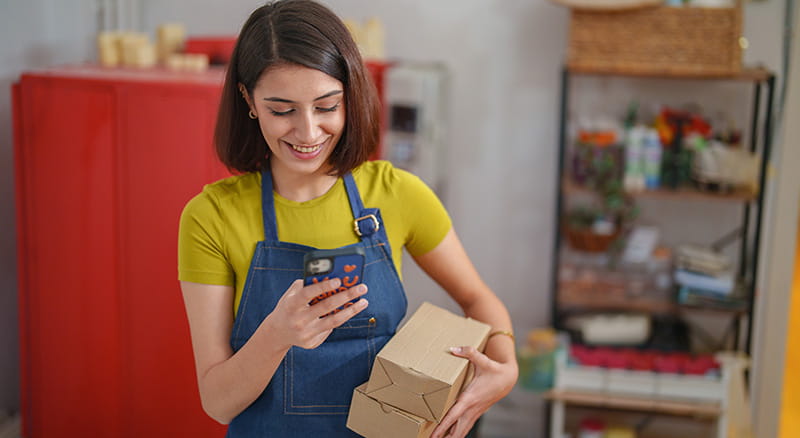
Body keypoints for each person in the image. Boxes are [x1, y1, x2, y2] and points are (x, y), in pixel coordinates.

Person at [178, 1, 518, 437]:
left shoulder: (398, 193)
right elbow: (218, 403)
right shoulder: (211, 218)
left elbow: (477, 299)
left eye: (326, 106)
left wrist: (505, 367)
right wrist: (276, 335)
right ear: (248, 100)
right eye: (282, 110)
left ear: (349, 97)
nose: (308, 132)